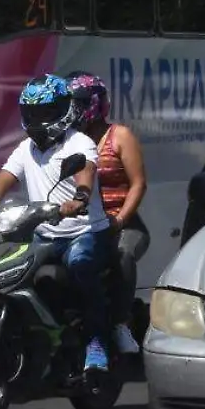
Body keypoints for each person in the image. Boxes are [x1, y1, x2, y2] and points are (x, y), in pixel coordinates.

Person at [0, 74, 112, 372]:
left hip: (83, 233)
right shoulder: (26, 148)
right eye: (31, 113)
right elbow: (4, 179)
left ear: (63, 110)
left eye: (44, 113)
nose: (37, 120)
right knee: (12, 275)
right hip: (44, 235)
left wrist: (80, 199)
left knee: (80, 265)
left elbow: (85, 173)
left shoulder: (80, 142)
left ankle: (96, 342)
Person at [65, 71, 147, 355]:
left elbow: (138, 183)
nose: (74, 110)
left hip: (123, 222)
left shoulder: (119, 136)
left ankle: (121, 323)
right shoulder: (69, 141)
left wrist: (121, 219)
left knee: (123, 253)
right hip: (86, 223)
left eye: (80, 103)